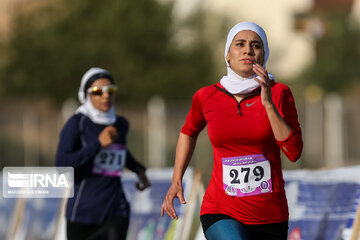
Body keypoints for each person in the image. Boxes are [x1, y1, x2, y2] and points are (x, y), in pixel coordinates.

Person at [160, 21, 303, 240]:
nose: (248, 49)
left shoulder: (280, 93)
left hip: (270, 215)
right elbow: (188, 131)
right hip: (220, 209)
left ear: (264, 55)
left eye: (256, 45)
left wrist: (268, 105)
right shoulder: (206, 96)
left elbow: (293, 153)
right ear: (227, 55)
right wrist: (176, 180)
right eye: (240, 44)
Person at [56, 67, 151, 240]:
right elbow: (62, 165)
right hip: (82, 212)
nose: (105, 96)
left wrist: (138, 169)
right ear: (86, 95)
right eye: (97, 91)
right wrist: (97, 144)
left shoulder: (120, 124)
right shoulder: (77, 124)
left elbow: (121, 152)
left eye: (111, 90)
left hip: (115, 208)